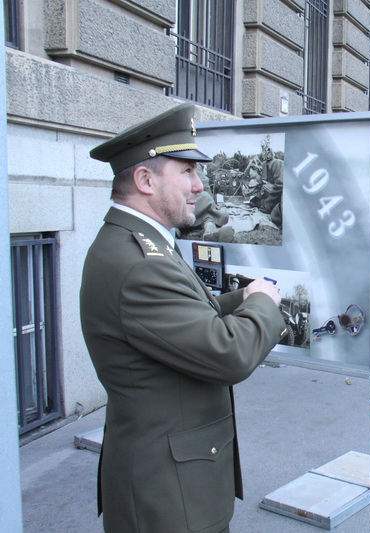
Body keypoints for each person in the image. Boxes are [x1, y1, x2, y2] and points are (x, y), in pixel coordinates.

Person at [81, 102, 287, 533]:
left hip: (173, 480)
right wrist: (264, 302)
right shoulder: (140, 260)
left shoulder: (140, 242)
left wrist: (243, 296)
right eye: (187, 172)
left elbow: (185, 318)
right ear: (144, 180)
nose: (199, 185)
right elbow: (229, 355)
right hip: (169, 495)